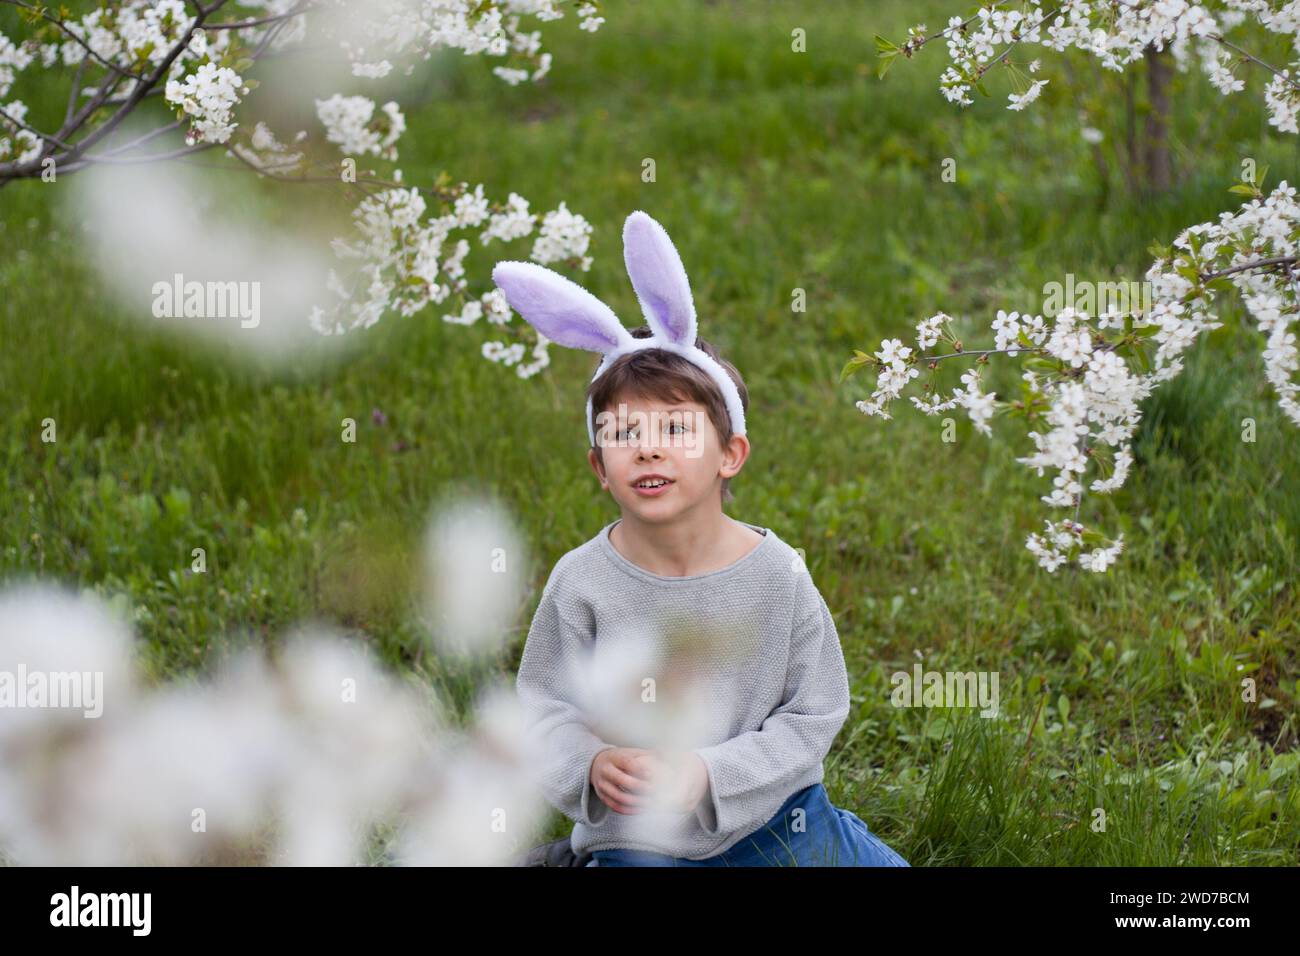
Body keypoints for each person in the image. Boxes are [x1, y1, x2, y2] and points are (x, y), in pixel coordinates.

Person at [495, 210, 910, 868]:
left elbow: (815, 710)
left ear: (731, 454)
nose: (649, 452)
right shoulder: (582, 583)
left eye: (677, 432)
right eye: (625, 435)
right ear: (600, 467)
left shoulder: (777, 574)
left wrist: (711, 775)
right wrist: (592, 763)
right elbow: (541, 709)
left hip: (777, 820)